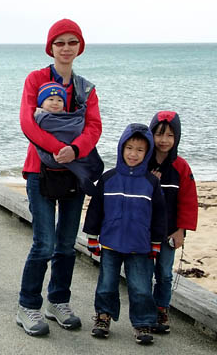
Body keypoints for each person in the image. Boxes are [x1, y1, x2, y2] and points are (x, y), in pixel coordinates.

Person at [16, 19, 102, 336]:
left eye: (72, 42)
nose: (66, 48)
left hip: (73, 173)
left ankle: (58, 301)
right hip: (40, 171)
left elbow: (94, 127)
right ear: (50, 47)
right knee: (44, 243)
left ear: (79, 47)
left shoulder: (85, 89)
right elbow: (28, 121)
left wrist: (75, 151)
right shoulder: (35, 79)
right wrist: (57, 148)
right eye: (60, 42)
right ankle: (27, 306)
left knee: (66, 244)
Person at [84, 123, 167, 345]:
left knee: (140, 287)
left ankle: (142, 323)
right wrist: (92, 237)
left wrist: (156, 242)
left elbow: (159, 214)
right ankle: (103, 317)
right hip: (111, 243)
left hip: (140, 246)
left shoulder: (151, 182)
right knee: (106, 284)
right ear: (121, 148)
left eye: (140, 150)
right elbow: (96, 209)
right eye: (129, 148)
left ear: (147, 152)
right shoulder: (108, 178)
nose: (133, 154)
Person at [148, 111, 198, 334]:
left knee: (165, 274)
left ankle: (162, 309)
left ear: (176, 137)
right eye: (159, 134)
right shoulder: (142, 163)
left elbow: (188, 201)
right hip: (144, 232)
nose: (164, 140)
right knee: (142, 273)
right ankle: (144, 311)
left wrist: (181, 230)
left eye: (170, 135)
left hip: (169, 232)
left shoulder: (181, 167)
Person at [34, 82, 104, 196]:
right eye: (50, 99)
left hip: (68, 156)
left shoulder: (66, 117)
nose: (55, 103)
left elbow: (81, 126)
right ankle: (86, 177)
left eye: (60, 100)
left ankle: (86, 174)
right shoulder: (42, 118)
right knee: (81, 163)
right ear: (41, 103)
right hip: (52, 158)